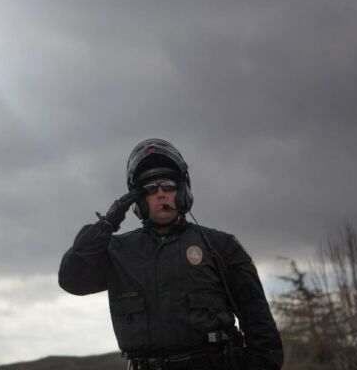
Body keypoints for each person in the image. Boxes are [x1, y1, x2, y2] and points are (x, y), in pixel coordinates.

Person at [58, 138, 283, 370]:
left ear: (183, 191)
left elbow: (262, 333)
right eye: (149, 189)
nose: (160, 194)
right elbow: (70, 279)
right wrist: (106, 223)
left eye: (168, 185)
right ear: (138, 200)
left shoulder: (221, 246)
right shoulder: (118, 252)